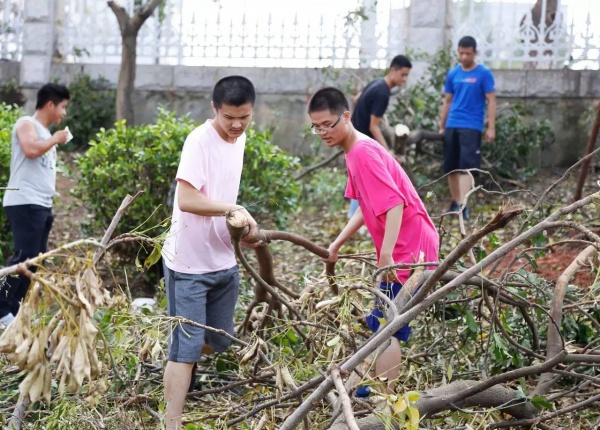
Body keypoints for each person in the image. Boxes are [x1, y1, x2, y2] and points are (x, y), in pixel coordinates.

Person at [309, 87, 439, 392]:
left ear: (345, 116)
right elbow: (366, 206)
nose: (323, 132)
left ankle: (384, 399)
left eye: (328, 124)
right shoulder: (354, 150)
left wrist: (387, 255)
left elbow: (394, 203)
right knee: (383, 319)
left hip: (411, 250)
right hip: (406, 245)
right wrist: (337, 244)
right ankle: (370, 387)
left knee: (387, 326)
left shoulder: (363, 152)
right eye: (316, 126)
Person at [160, 75, 259, 430]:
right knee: (186, 350)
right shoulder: (198, 141)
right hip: (188, 263)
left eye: (244, 117)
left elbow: (220, 194)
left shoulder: (240, 137)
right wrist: (234, 208)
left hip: (223, 259)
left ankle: (174, 362)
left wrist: (241, 229)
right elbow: (186, 199)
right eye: (229, 116)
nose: (236, 124)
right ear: (214, 108)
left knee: (218, 340)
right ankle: (171, 422)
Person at [0, 83, 71, 327]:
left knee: (35, 261)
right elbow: (30, 149)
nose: (64, 113)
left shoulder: (44, 132)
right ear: (50, 104)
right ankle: (1, 310)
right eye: (62, 107)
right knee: (24, 256)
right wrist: (55, 139)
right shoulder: (26, 124)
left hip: (41, 204)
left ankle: (15, 311)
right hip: (24, 201)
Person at [439, 36, 496, 221]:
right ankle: (455, 202)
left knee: (467, 168)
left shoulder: (484, 73)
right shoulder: (453, 74)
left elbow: (491, 100)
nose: (464, 57)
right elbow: (447, 100)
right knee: (451, 168)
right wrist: (442, 124)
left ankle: (464, 205)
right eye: (461, 53)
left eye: (468, 53)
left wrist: (491, 127)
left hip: (472, 126)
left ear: (475, 53)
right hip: (452, 124)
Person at [348, 55, 412, 218]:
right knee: (366, 183)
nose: (404, 79)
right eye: (403, 75)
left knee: (362, 182)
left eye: (407, 75)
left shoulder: (376, 82)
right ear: (392, 70)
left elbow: (356, 99)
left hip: (354, 137)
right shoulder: (383, 93)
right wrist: (388, 153)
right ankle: (357, 220)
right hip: (363, 143)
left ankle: (359, 218)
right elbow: (373, 126)